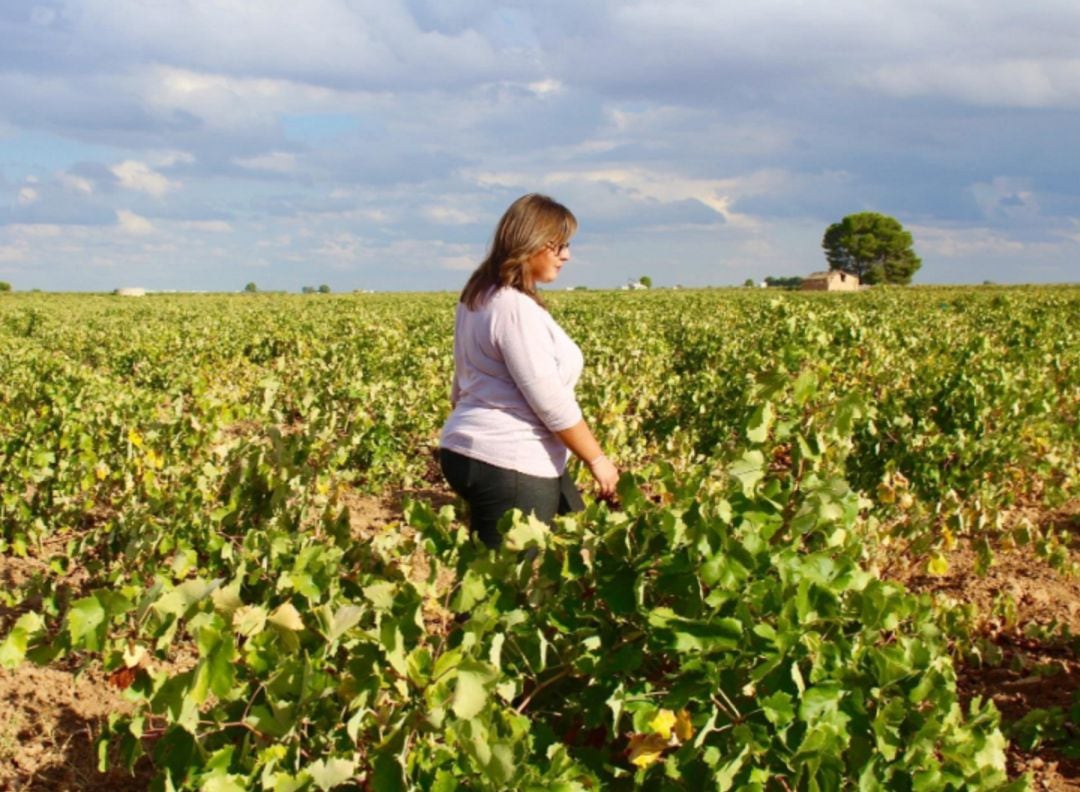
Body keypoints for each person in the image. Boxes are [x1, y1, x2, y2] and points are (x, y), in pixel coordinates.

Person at [438, 193, 619, 548]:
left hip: (469, 449)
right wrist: (597, 460)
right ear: (530, 243)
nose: (566, 255)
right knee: (501, 588)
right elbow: (550, 401)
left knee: (578, 545)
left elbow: (458, 387)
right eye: (558, 246)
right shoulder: (513, 307)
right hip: (511, 459)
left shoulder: (478, 295)